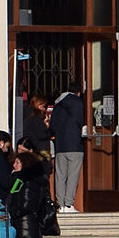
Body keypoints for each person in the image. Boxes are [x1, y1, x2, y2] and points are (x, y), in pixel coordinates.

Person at [50, 86, 87, 217]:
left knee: (60, 176)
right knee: (72, 176)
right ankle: (69, 204)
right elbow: (85, 122)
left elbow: (52, 125)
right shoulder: (79, 103)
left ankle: (60, 205)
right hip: (75, 145)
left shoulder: (58, 104)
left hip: (61, 145)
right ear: (78, 92)